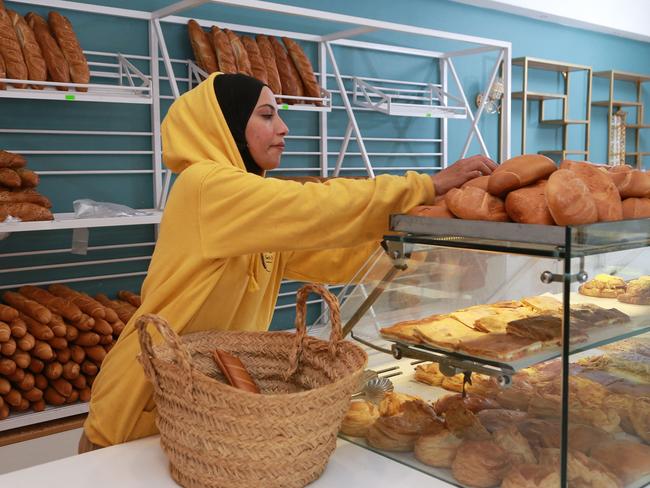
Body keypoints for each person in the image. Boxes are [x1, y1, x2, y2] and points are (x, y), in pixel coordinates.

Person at [81, 73, 496, 449]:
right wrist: (424, 185)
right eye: (266, 115)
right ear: (224, 125)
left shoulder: (248, 212)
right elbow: (317, 205)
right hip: (140, 410)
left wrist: (422, 246)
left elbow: (332, 257)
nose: (283, 128)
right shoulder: (204, 186)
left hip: (201, 409)